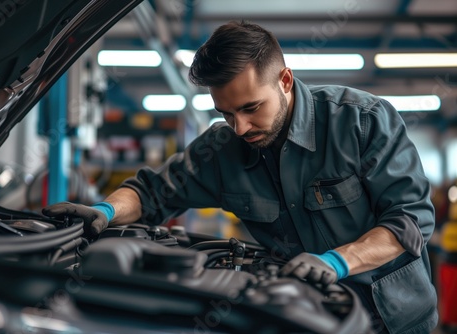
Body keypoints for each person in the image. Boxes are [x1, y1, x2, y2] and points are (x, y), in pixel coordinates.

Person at [43, 21, 438, 333]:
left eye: (251, 108)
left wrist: (338, 261)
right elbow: (150, 193)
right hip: (306, 318)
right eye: (226, 113)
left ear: (284, 80)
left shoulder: (360, 121)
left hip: (396, 318)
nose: (239, 127)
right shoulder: (222, 148)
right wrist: (105, 210)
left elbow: (409, 222)